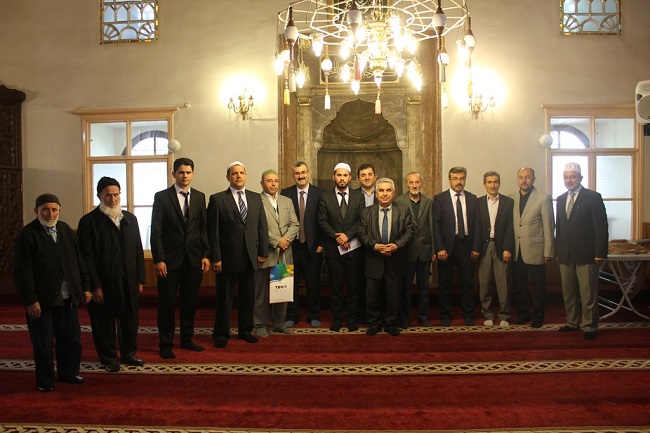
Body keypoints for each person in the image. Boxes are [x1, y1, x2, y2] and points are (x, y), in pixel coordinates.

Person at [14, 194, 91, 392]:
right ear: (36, 211)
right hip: (42, 301)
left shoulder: (65, 230)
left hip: (68, 298)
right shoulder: (28, 234)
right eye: (45, 210)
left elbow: (79, 260)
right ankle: (45, 380)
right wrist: (31, 300)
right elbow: (23, 272)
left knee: (71, 340)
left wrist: (85, 287)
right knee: (43, 343)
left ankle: (68, 373)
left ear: (59, 210)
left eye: (54, 209)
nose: (50, 214)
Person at [78, 177, 146, 372]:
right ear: (99, 195)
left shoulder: (130, 219)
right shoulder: (88, 222)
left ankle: (129, 353)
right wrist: (95, 285)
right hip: (104, 282)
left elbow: (138, 250)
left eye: (116, 195)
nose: (113, 199)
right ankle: (108, 358)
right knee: (104, 322)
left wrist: (140, 278)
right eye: (108, 195)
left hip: (128, 280)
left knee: (130, 319)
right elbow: (86, 257)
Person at [151, 158, 210, 359]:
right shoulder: (162, 197)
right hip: (169, 261)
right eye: (181, 172)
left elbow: (203, 228)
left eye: (188, 172)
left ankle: (187, 339)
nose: (185, 176)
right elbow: (156, 231)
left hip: (193, 260)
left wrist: (205, 254)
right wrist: (159, 259)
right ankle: (166, 344)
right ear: (174, 174)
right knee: (167, 303)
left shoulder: (200, 196)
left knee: (189, 302)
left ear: (193, 174)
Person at [208, 161, 269, 348]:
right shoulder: (218, 199)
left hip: (250, 257)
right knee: (224, 299)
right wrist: (215, 257)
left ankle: (245, 331)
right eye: (234, 173)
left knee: (248, 298)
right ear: (228, 177)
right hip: (226, 259)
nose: (238, 176)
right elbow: (212, 231)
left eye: (241, 172)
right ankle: (221, 334)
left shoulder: (256, 198)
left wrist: (262, 252)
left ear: (246, 175)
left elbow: (262, 226)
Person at [555, 162, 608, 340]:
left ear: (580, 178)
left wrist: (600, 253)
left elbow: (601, 228)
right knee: (568, 293)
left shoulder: (593, 197)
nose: (569, 180)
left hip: (587, 254)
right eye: (566, 177)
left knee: (588, 293)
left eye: (573, 177)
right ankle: (572, 322)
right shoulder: (561, 199)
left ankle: (589, 326)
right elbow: (560, 228)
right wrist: (558, 251)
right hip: (565, 254)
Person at [359, 178, 415, 336]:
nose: (385, 194)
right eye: (381, 190)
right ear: (376, 194)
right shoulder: (366, 212)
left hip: (395, 259)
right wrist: (375, 246)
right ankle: (374, 323)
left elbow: (410, 231)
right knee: (372, 296)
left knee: (393, 296)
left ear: (394, 193)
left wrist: (396, 245)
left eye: (388, 190)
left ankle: (390, 323)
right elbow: (361, 234)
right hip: (373, 260)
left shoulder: (403, 210)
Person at [318, 162, 365, 332]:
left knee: (353, 288)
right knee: (335, 289)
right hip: (333, 251)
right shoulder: (325, 197)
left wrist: (348, 236)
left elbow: (361, 220)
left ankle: (351, 320)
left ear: (350, 177)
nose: (342, 178)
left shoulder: (358, 197)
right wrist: (338, 237)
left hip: (353, 251)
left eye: (345, 175)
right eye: (339, 175)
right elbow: (322, 221)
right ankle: (337, 320)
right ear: (333, 177)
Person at [432, 166, 482, 327]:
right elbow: (436, 225)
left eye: (461, 178)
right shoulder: (440, 199)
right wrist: (439, 248)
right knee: (444, 284)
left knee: (468, 283)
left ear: (465, 179)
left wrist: (476, 247)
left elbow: (478, 225)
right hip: (447, 246)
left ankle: (468, 316)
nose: (458, 182)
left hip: (467, 245)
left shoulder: (473, 198)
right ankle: (445, 316)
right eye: (455, 178)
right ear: (449, 180)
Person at [254, 169, 299, 337]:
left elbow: (295, 224)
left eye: (276, 181)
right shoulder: (256, 201)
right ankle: (260, 324)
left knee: (282, 289)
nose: (273, 184)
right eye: (269, 181)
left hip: (284, 253)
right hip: (265, 253)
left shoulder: (287, 201)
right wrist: (276, 241)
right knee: (261, 292)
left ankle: (279, 323)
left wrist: (285, 240)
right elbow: (257, 227)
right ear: (262, 183)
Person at [509, 167, 555, 328]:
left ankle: (538, 317)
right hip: (517, 250)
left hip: (536, 250)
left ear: (533, 179)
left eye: (527, 177)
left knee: (537, 287)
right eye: (521, 177)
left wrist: (548, 251)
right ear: (517, 179)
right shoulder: (511, 198)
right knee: (519, 286)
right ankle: (523, 314)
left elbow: (549, 226)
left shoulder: (543, 198)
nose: (524, 180)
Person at [280, 161, 324, 328]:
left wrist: (321, 243)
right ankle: (292, 315)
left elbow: (323, 220)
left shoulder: (320, 193)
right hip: (291, 246)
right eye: (297, 173)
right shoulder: (285, 193)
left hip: (313, 247)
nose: (301, 176)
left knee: (313, 284)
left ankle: (314, 315)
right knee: (290, 282)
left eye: (303, 172)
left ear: (308, 173)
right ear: (293, 175)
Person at [394, 172, 435, 328]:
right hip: (406, 252)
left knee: (424, 287)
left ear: (421, 183)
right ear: (406, 184)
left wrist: (434, 249)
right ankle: (405, 317)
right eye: (411, 182)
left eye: (417, 182)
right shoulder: (399, 201)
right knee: (405, 287)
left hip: (424, 250)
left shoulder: (429, 202)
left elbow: (432, 227)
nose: (414, 185)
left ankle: (423, 316)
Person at [477, 171, 514, 327]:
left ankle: (504, 315)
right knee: (484, 282)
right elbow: (476, 227)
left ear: (499, 183)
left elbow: (510, 227)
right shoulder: (478, 202)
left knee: (503, 283)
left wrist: (507, 248)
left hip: (501, 246)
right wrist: (475, 248)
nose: (493, 185)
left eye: (495, 182)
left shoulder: (508, 202)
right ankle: (487, 314)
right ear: (484, 184)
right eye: (489, 182)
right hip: (484, 247)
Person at [355, 163, 378, 323]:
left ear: (375, 177)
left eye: (370, 174)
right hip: (358, 245)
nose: (367, 177)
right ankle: (362, 315)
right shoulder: (353, 195)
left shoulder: (383, 192)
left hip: (379, 245)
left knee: (378, 282)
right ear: (358, 179)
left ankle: (378, 314)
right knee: (360, 282)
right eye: (363, 175)